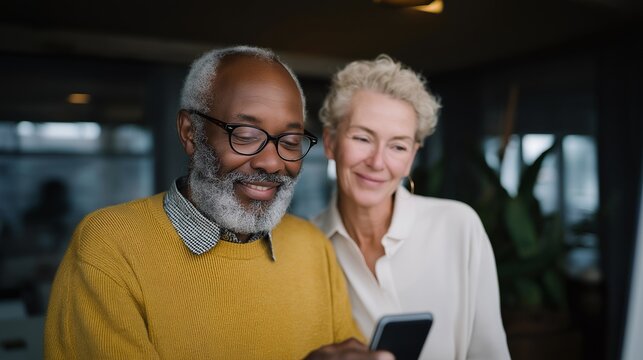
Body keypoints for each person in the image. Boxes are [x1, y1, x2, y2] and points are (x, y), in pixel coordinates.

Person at [45, 46, 391, 360]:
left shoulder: (312, 245)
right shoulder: (110, 245)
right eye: (245, 134)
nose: (271, 163)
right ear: (190, 132)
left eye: (290, 140)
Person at [313, 55, 511, 359]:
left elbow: (490, 353)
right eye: (363, 138)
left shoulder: (458, 226)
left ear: (412, 157)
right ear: (330, 142)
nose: (378, 162)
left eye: (398, 146)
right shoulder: (309, 246)